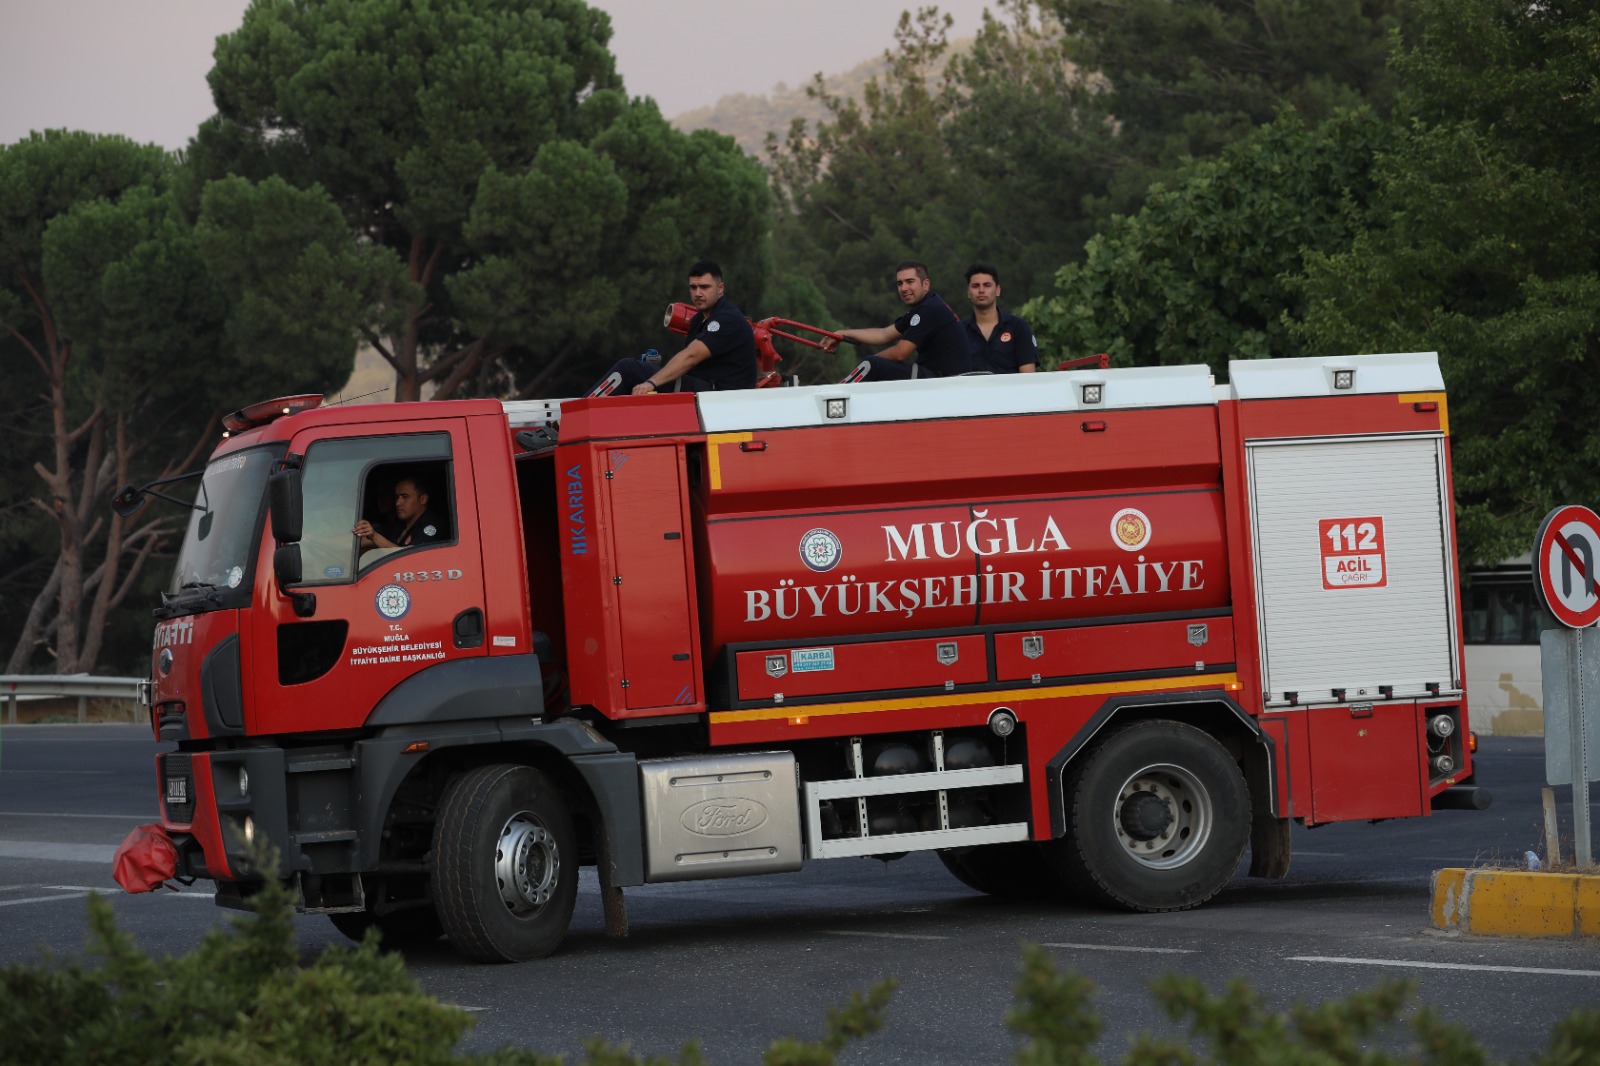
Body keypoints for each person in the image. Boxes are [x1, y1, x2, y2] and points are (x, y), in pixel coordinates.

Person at [588, 260, 758, 396]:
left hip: (721, 398)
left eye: (704, 287)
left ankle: (572, 420)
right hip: (704, 389)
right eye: (693, 287)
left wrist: (651, 382)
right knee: (639, 373)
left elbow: (691, 356)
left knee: (629, 369)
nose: (697, 293)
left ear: (720, 289)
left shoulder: (728, 318)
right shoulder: (699, 319)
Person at [822, 260, 970, 380]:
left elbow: (900, 353)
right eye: (900, 283)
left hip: (945, 382)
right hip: (936, 378)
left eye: (910, 281)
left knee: (872, 364)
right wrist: (842, 334)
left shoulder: (930, 309)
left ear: (925, 284)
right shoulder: (925, 307)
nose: (904, 288)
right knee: (873, 365)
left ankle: (836, 397)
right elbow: (883, 334)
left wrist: (872, 363)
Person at [962, 262, 1038, 374]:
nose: (981, 290)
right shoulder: (959, 332)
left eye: (987, 285)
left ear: (997, 290)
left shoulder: (1018, 327)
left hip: (1013, 391)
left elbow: (1028, 377)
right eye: (975, 286)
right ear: (969, 292)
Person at [354, 475, 446, 552]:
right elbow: (365, 541)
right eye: (396, 497)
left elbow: (410, 558)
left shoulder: (432, 526)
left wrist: (375, 536)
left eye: (405, 497)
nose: (398, 503)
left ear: (423, 499)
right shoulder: (399, 524)